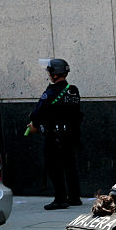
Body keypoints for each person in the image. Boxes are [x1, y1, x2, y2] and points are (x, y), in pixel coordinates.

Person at [27, 58, 82, 210]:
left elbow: (37, 113)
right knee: (70, 166)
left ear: (54, 74)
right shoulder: (73, 90)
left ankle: (60, 199)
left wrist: (34, 124)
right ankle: (74, 197)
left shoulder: (51, 92)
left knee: (55, 168)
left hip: (54, 137)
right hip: (70, 136)